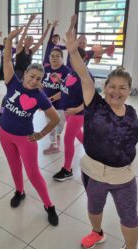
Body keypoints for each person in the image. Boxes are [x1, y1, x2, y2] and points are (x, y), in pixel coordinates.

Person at [66, 15, 138, 249]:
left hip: (123, 177)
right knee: (93, 208)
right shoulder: (95, 104)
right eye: (112, 86)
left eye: (122, 88)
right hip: (94, 172)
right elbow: (84, 76)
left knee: (129, 217)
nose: (116, 92)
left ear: (129, 91)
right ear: (105, 87)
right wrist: (73, 52)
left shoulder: (131, 112)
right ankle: (97, 232)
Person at [0, 26, 60, 226]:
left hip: (25, 139)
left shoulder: (40, 96)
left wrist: (41, 134)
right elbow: (7, 59)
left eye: (38, 79)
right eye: (31, 76)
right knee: (14, 167)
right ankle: (19, 191)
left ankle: (49, 205)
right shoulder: (12, 82)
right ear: (24, 74)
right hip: (4, 133)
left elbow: (55, 119)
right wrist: (9, 41)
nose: (34, 81)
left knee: (33, 173)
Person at [52, 47, 87, 181]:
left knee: (68, 139)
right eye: (71, 57)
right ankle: (92, 149)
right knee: (77, 134)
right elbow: (67, 88)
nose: (72, 60)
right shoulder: (71, 72)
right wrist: (59, 81)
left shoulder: (86, 76)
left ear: (83, 59)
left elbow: (90, 100)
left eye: (76, 57)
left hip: (78, 114)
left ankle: (67, 170)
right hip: (68, 111)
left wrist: (76, 110)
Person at [41, 47, 70, 154]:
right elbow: (41, 84)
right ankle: (54, 144)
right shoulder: (46, 69)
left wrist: (50, 99)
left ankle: (57, 138)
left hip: (60, 105)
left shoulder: (66, 71)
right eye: (52, 55)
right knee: (50, 123)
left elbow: (65, 90)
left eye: (57, 56)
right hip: (47, 104)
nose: (54, 58)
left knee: (60, 124)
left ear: (62, 58)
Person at [14, 15, 51, 80]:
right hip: (18, 73)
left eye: (31, 40)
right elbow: (24, 34)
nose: (30, 41)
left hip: (27, 73)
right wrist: (30, 21)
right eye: (28, 39)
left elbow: (41, 40)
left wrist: (48, 28)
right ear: (24, 40)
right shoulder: (19, 48)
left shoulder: (31, 51)